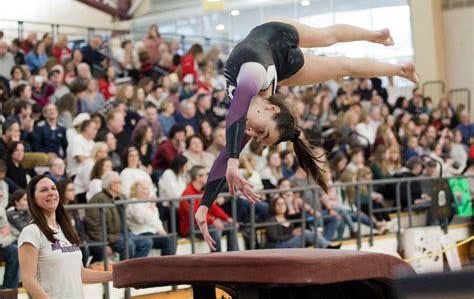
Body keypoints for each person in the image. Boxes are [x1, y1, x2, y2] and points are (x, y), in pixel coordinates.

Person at [195, 20, 419, 250]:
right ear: (271, 108)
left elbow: (227, 152)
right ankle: (388, 53)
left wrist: (211, 195)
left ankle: (388, 53)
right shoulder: (252, 84)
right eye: (260, 133)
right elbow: (228, 146)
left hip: (276, 50)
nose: (250, 133)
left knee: (335, 52)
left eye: (258, 135)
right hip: (278, 51)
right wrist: (218, 185)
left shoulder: (250, 96)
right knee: (335, 54)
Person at [18, 175, 112, 298]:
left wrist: (113, 275)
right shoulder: (31, 232)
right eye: (44, 190)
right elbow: (28, 281)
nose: (51, 193)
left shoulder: (66, 230)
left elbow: (81, 273)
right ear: (33, 198)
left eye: (53, 188)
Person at [126, 180, 175, 256]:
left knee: (170, 239)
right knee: (149, 242)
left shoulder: (149, 202)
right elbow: (141, 219)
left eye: (148, 189)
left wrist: (161, 230)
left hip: (152, 232)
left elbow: (155, 219)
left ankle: (167, 265)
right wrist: (151, 207)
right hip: (139, 233)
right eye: (145, 189)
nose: (147, 191)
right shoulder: (132, 203)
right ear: (136, 190)